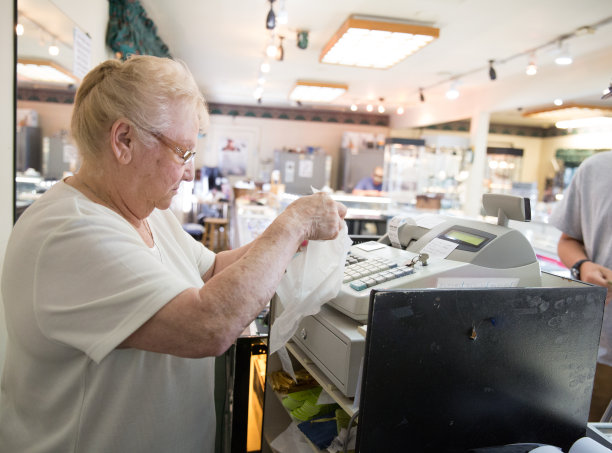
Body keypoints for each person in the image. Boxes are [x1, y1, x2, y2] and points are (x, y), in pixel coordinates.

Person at [0, 56, 346, 452]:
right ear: (124, 140)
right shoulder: (68, 233)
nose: (190, 173)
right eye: (183, 152)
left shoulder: (142, 210)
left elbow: (213, 270)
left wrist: (289, 236)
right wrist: (293, 226)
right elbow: (209, 323)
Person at [549, 150, 612, 422]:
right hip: (599, 347)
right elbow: (568, 240)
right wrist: (583, 266)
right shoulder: (595, 169)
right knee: (588, 437)